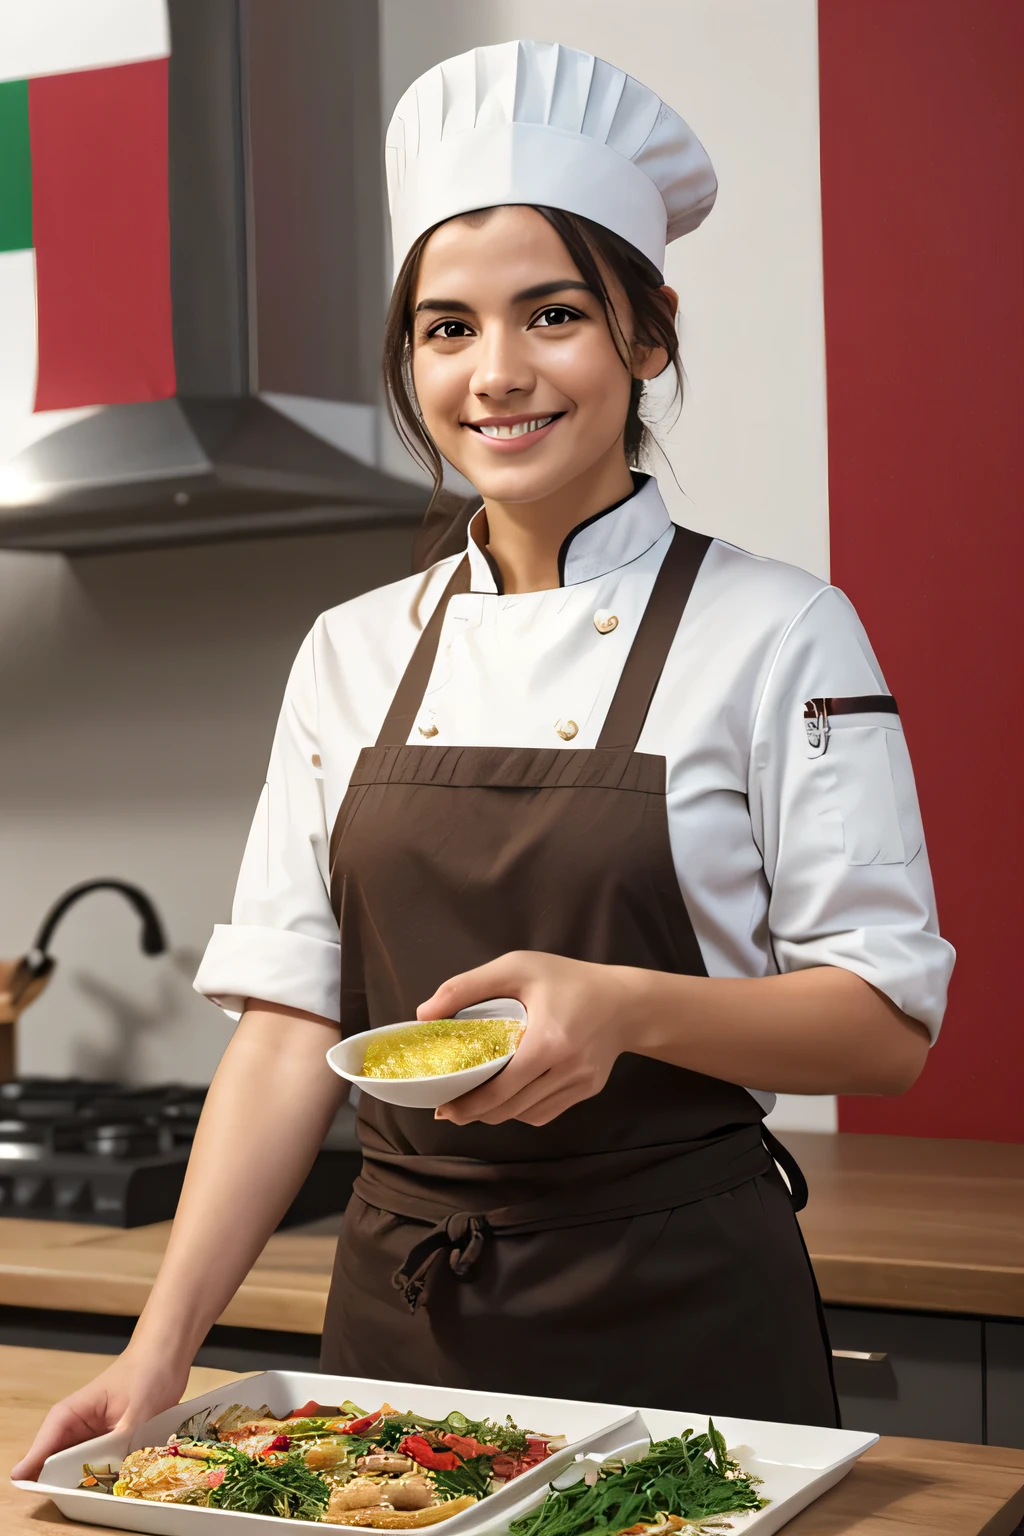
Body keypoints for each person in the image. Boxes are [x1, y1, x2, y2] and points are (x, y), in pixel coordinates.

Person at [15, 39, 954, 1477]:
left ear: (648, 335)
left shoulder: (782, 632)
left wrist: (626, 1008)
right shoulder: (348, 650)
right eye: (445, 328)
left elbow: (885, 1024)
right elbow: (283, 1032)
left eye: (553, 314)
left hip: (687, 1320)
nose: (495, 374)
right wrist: (158, 1352)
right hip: (406, 1333)